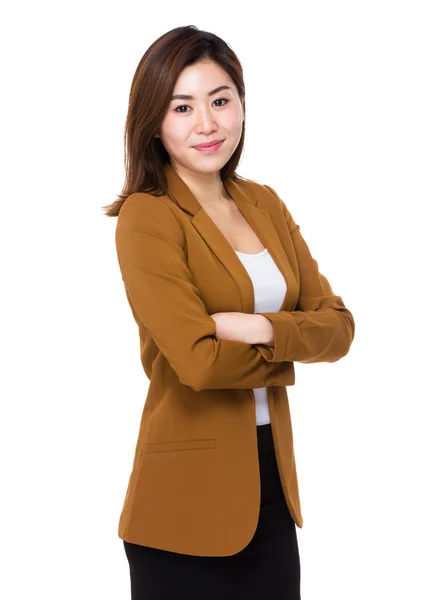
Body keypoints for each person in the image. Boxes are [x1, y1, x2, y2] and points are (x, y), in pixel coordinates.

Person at [103, 25, 355, 600]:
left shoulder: (263, 202)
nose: (207, 123)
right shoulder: (149, 217)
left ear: (242, 104)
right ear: (153, 120)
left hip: (271, 488)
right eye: (182, 106)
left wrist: (260, 327)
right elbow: (198, 364)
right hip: (183, 503)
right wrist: (292, 347)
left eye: (220, 100)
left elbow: (339, 327)